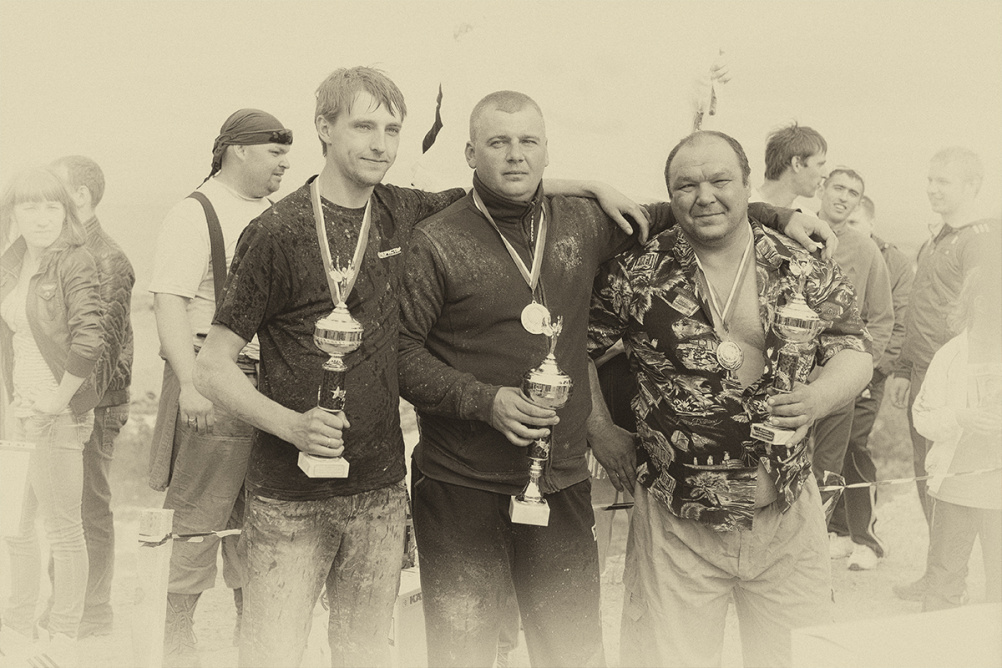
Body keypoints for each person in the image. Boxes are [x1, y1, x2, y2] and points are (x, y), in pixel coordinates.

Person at [193, 66, 663, 668]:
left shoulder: (402, 210)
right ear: (324, 128)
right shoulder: (275, 233)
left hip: (381, 490)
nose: (380, 145)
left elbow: (503, 184)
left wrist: (594, 186)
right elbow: (212, 368)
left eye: (392, 130)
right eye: (363, 127)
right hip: (291, 494)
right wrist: (291, 425)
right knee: (273, 655)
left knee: (366, 655)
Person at [397, 93, 832, 667]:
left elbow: (694, 207)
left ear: (548, 151)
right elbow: (401, 354)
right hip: (461, 480)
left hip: (561, 479)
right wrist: (483, 401)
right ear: (470, 152)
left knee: (573, 653)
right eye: (498, 142)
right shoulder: (435, 238)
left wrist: (777, 215)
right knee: (463, 653)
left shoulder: (584, 222)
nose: (515, 155)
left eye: (528, 141)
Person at [587, 131, 872, 668]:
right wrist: (599, 429)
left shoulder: (802, 264)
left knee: (800, 659)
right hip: (678, 522)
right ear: (670, 195)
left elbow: (854, 350)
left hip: (785, 513)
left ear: (746, 184)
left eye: (720, 180)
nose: (705, 196)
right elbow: (572, 348)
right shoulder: (635, 271)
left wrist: (817, 397)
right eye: (686, 185)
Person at [147, 108, 292, 663]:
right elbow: (169, 302)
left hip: (267, 386)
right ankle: (175, 639)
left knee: (257, 513)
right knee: (197, 513)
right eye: (275, 153)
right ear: (238, 151)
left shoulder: (273, 212)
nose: (284, 164)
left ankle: (250, 637)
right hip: (214, 381)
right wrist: (191, 384)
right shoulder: (194, 212)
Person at [887, 147, 1001, 601]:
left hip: (963, 382)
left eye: (944, 181)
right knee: (930, 473)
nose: (933, 189)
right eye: (930, 180)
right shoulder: (935, 239)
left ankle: (966, 584)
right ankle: (940, 573)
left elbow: (986, 309)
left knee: (970, 482)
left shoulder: (982, 239)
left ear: (973, 186)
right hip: (927, 378)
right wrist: (903, 368)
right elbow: (922, 306)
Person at [1, 167, 105, 663]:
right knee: (15, 528)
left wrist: (54, 403)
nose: (42, 218)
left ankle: (63, 638)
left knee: (64, 531)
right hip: (16, 413)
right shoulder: (12, 261)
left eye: (52, 206)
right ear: (13, 213)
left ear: (66, 211)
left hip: (57, 414)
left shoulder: (75, 261)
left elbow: (90, 339)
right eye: (30, 207)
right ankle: (16, 630)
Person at [37, 155, 134, 639]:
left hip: (95, 404)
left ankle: (91, 613)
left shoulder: (108, 258)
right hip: (68, 402)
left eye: (54, 191)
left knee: (88, 508)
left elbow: (104, 350)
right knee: (63, 508)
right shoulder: (66, 252)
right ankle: (66, 606)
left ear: (79, 195)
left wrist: (70, 409)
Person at [809, 169, 893, 563]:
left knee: (830, 466)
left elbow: (882, 317)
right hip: (787, 375)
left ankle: (820, 549)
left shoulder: (866, 250)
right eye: (838, 188)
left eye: (853, 193)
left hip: (838, 378)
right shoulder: (792, 234)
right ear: (822, 188)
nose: (844, 198)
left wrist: (860, 369)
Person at [912, 266, 1001, 611]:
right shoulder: (949, 356)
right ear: (979, 302)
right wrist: (960, 418)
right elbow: (922, 418)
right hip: (956, 491)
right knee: (943, 586)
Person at [832, 195, 914, 570]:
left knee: (854, 444)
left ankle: (867, 538)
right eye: (843, 223)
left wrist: (872, 370)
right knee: (830, 445)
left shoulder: (893, 261)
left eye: (855, 223)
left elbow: (897, 323)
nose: (848, 231)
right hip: (833, 368)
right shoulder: (833, 249)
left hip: (870, 369)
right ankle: (839, 530)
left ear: (870, 224)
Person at [758, 122, 828, 208]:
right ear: (797, 164)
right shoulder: (744, 208)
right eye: (820, 165)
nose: (826, 175)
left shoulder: (806, 216)